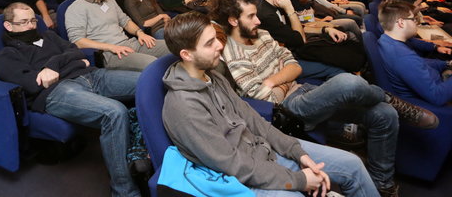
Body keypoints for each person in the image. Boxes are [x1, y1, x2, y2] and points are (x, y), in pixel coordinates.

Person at [209, 0, 439, 197]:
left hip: (304, 91)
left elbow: (294, 64)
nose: (258, 20)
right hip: (287, 110)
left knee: (384, 114)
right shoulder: (233, 55)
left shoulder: (263, 35)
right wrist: (284, 79)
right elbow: (266, 97)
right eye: (251, 16)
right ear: (233, 20)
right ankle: (387, 96)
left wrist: (275, 80)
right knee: (347, 82)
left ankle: (382, 183)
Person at [162, 11, 380, 197]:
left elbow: (254, 121)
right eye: (210, 43)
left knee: (352, 165)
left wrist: (296, 151)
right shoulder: (183, 106)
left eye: (216, 38)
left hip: (263, 152)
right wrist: (298, 180)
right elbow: (232, 165)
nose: (220, 45)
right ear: (186, 55)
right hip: (241, 178)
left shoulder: (212, 76)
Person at [0, 2, 143, 197]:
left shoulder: (48, 35)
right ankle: (124, 191)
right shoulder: (6, 55)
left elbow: (76, 51)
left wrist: (54, 66)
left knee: (146, 83)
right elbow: (33, 83)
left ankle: (145, 150)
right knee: (114, 112)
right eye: (23, 22)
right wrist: (70, 62)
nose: (31, 26)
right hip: (58, 91)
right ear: (9, 26)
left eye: (33, 20)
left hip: (92, 76)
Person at [65, 0, 169, 71]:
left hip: (129, 43)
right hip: (110, 53)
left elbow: (125, 21)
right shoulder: (75, 8)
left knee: (172, 47)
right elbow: (78, 41)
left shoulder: (109, 0)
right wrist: (112, 47)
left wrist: (140, 33)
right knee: (152, 63)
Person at [378, 0, 452, 106]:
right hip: (435, 102)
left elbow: (420, 63)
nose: (416, 22)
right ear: (401, 22)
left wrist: (447, 64)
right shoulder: (404, 57)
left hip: (435, 83)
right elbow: (438, 96)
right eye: (413, 19)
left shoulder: (385, 40)